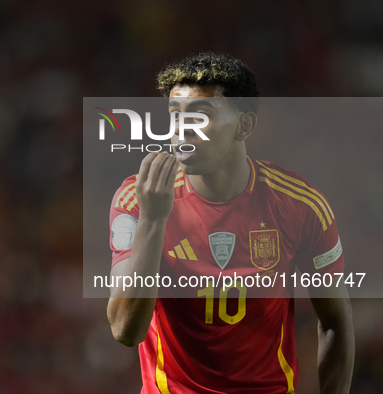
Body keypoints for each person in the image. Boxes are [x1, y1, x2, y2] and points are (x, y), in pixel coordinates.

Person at [106, 52, 354, 393]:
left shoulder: (301, 206)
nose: (181, 128)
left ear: (244, 125)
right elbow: (124, 330)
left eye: (200, 115)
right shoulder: (137, 200)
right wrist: (153, 220)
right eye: (174, 115)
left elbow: (335, 323)